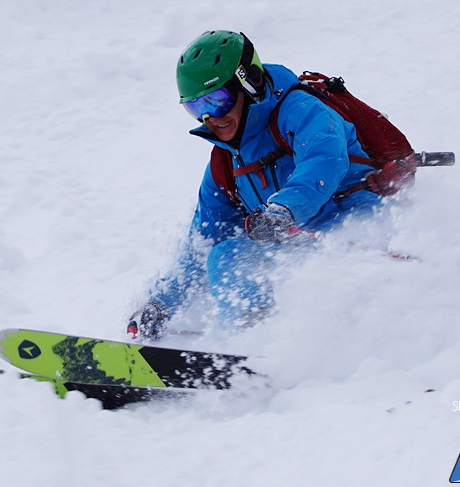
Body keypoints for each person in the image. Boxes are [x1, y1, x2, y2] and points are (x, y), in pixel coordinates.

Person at [127, 30, 385, 340]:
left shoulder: (302, 110)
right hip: (299, 245)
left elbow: (324, 160)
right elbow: (203, 240)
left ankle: (261, 344)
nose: (209, 117)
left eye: (217, 101)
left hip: (354, 225)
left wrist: (283, 210)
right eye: (196, 108)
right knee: (225, 256)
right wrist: (162, 302)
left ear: (247, 84)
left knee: (283, 266)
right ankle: (251, 340)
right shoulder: (225, 163)